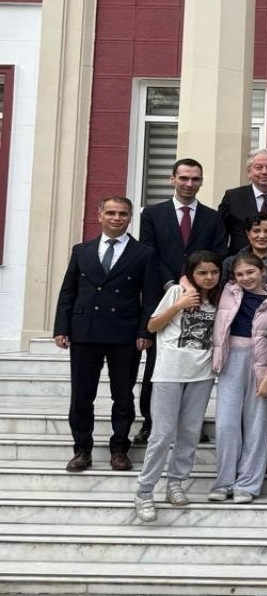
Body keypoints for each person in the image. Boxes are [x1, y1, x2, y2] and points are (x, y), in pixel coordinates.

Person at [55, 196, 159, 473]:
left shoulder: (143, 253)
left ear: (130, 218)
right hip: (85, 330)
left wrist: (145, 331)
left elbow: (150, 298)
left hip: (125, 333)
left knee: (122, 395)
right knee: (81, 395)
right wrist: (61, 327)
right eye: (111, 212)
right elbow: (68, 291)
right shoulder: (82, 250)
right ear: (99, 215)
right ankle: (82, 450)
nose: (116, 218)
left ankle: (119, 449)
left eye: (122, 214)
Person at [136, 158, 227, 446]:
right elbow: (149, 253)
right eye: (184, 178)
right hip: (164, 294)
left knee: (194, 357)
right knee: (157, 363)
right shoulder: (153, 214)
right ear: (172, 179)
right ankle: (150, 423)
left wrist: (199, 286)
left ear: (201, 182)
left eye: (195, 179)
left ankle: (190, 424)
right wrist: (173, 285)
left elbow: (218, 254)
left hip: (202, 298)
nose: (189, 184)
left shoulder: (213, 217)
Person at [133, 251, 222, 522]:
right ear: (191, 274)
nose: (208, 277)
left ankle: (175, 482)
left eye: (213, 272)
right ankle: (144, 490)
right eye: (202, 273)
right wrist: (179, 304)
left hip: (202, 374)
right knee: (161, 433)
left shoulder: (219, 299)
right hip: (169, 372)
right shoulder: (176, 293)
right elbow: (152, 325)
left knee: (190, 433)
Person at [207, 254, 267, 503]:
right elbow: (192, 277)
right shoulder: (226, 292)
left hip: (261, 365)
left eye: (251, 272)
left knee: (258, 425)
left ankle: (248, 485)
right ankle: (224, 482)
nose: (245, 278)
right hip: (230, 360)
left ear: (263, 272)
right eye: (240, 274)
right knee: (226, 424)